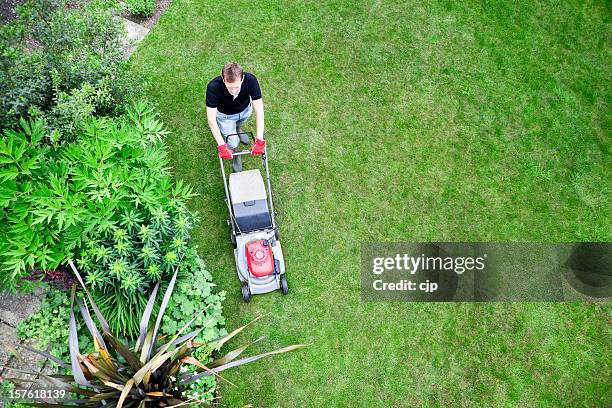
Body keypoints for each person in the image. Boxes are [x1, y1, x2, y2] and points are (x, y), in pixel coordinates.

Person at [205, 62, 266, 172]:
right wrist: (222, 146)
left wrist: (260, 140)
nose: (233, 91)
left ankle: (237, 128)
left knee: (240, 121)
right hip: (225, 117)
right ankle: (237, 154)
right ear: (224, 80)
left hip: (245, 111)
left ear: (242, 79)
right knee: (232, 142)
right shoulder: (213, 87)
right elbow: (211, 119)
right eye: (230, 87)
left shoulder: (251, 80)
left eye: (236, 87)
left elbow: (260, 111)